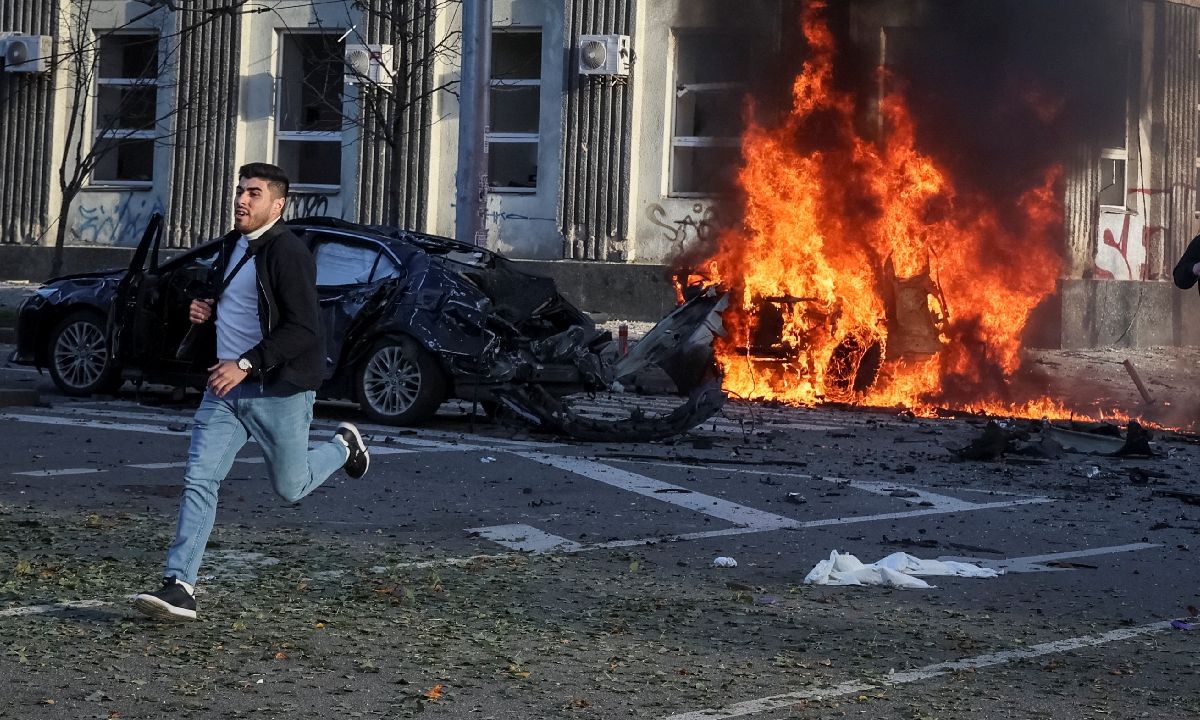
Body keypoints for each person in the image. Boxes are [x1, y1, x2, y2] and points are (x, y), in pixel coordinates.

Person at [134, 163, 369, 621]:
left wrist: (246, 364)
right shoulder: (231, 244)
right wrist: (206, 306)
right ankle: (180, 584)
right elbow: (237, 301)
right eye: (240, 190)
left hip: (276, 391)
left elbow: (304, 329)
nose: (242, 200)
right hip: (223, 391)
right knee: (199, 481)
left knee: (291, 487)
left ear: (277, 205)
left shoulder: (289, 253)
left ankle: (343, 446)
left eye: (254, 193)